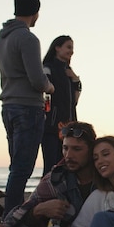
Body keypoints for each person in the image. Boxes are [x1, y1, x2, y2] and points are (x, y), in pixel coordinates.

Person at [0, 0, 55, 218]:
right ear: (35, 12)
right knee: (23, 168)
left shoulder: (1, 39)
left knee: (16, 166)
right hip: (28, 107)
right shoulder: (28, 38)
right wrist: (50, 86)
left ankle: (11, 213)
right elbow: (37, 80)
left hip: (8, 105)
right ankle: (11, 217)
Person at [41, 35, 83, 175]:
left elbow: (75, 100)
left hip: (69, 127)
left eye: (72, 48)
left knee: (68, 164)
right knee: (52, 164)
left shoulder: (68, 71)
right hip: (52, 126)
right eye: (68, 47)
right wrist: (47, 115)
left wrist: (75, 79)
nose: (71, 51)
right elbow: (45, 94)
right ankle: (46, 194)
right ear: (57, 48)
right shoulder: (48, 68)